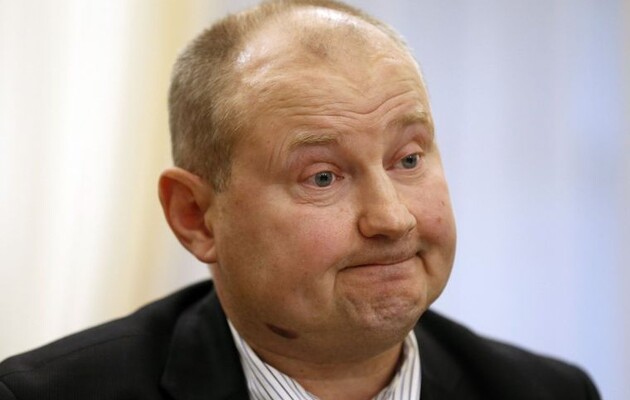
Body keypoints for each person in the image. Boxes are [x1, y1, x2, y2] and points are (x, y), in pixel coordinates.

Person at [0, 1, 600, 399]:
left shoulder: (551, 392)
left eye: (408, 159)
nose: (392, 218)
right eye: (322, 177)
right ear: (196, 216)